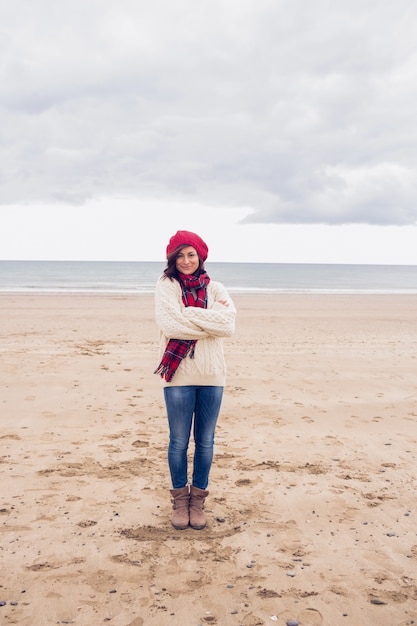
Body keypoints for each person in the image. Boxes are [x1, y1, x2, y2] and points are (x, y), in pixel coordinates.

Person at [154, 230, 236, 530]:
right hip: (178, 375)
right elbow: (169, 323)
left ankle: (197, 500)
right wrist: (207, 318)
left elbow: (228, 326)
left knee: (205, 441)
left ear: (201, 256)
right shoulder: (166, 286)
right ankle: (179, 500)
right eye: (180, 255)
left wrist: (188, 315)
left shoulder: (217, 288)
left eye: (191, 254)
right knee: (178, 441)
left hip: (213, 375)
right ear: (172, 260)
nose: (186, 260)